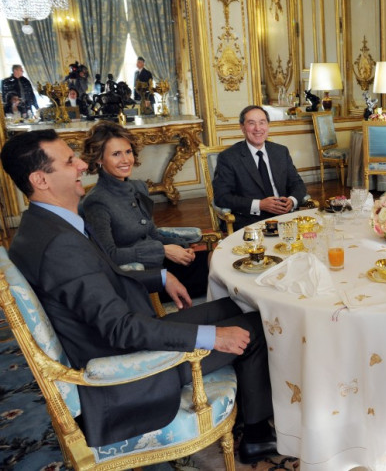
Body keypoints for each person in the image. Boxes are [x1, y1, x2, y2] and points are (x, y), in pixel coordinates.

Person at [1, 129, 277, 463]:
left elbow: (106, 275)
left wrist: (160, 277)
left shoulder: (43, 225)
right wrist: (212, 337)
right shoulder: (60, 244)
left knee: (241, 306)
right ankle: (257, 435)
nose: (82, 166)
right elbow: (120, 329)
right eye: (70, 161)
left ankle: (248, 409)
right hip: (129, 367)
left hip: (127, 334)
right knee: (256, 331)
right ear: (40, 179)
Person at [80, 122, 209, 299]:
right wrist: (163, 250)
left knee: (219, 262)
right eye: (116, 154)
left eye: (128, 151)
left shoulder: (138, 187)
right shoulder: (96, 202)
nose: (126, 160)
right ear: (99, 159)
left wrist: (182, 247)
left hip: (163, 263)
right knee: (223, 276)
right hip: (143, 278)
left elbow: (151, 233)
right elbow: (108, 255)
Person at [213, 105, 307, 230]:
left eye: (262, 123)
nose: (258, 129)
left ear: (268, 125)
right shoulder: (228, 157)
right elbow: (222, 197)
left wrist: (292, 200)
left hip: (285, 218)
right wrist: (260, 205)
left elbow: (297, 184)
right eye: (251, 123)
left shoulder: (280, 151)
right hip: (249, 222)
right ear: (242, 127)